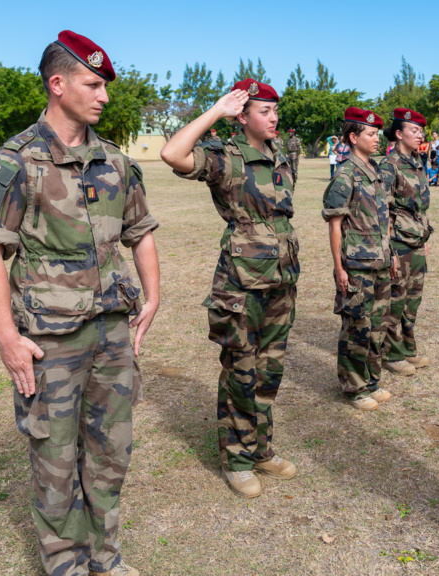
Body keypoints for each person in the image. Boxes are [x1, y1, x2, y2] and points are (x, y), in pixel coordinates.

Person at [0, 31, 160, 576]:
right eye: (92, 84)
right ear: (57, 84)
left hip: (111, 332)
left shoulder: (115, 160)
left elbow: (140, 230)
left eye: (104, 86)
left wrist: (154, 295)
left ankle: (105, 557)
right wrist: (7, 338)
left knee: (111, 452)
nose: (104, 96)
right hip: (50, 339)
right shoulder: (15, 162)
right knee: (54, 459)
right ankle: (66, 565)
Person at [160, 78, 299, 498]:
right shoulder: (225, 157)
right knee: (241, 370)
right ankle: (237, 460)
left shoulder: (280, 152)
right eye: (264, 111)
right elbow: (173, 154)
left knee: (269, 370)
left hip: (281, 278)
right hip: (241, 284)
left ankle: (261, 450)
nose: (273, 118)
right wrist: (217, 111)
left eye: (276, 110)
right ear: (242, 116)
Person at [322, 107, 395, 411]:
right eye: (371, 134)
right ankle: (354, 388)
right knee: (357, 328)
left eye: (377, 134)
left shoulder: (375, 171)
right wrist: (339, 268)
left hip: (380, 262)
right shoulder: (345, 175)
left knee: (377, 327)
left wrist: (390, 253)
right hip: (356, 266)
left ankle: (372, 381)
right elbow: (335, 224)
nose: (377, 139)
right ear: (353, 137)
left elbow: (384, 217)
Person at [379, 108, 434, 377]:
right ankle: (391, 354)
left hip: (416, 240)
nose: (419, 135)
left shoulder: (416, 162)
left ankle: (408, 348)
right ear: (399, 134)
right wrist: (388, 250)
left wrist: (424, 238)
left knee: (413, 299)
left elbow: (419, 207)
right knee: (396, 300)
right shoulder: (389, 166)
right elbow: (383, 210)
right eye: (414, 130)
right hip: (398, 242)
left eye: (421, 131)